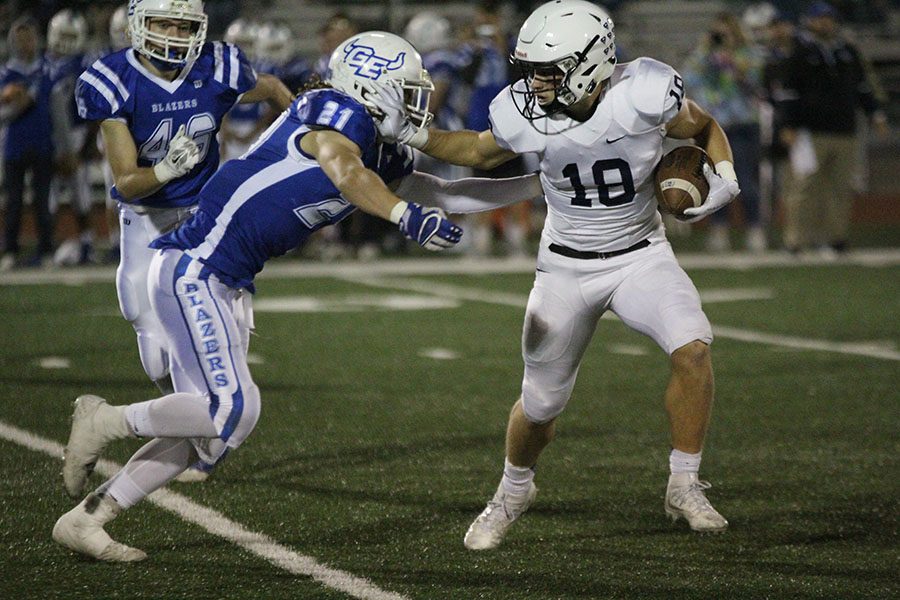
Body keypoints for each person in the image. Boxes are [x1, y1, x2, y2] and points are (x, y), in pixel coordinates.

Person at [51, 30, 547, 562]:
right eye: (404, 87)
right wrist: (403, 216)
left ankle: (89, 518)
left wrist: (544, 184)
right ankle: (106, 420)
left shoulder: (374, 144)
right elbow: (343, 168)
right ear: (368, 85)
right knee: (233, 409)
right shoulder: (334, 111)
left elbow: (447, 191)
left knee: (210, 431)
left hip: (227, 277)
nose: (415, 100)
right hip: (194, 266)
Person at [377, 0, 741, 550]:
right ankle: (513, 489)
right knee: (541, 408)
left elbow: (704, 126)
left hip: (641, 255)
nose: (536, 82)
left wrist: (726, 179)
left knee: (693, 349)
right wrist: (415, 135)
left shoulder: (644, 91)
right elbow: (478, 150)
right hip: (564, 267)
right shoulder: (524, 108)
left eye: (548, 70)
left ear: (592, 62)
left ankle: (684, 483)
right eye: (533, 70)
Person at [74, 0, 292, 481]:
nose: (173, 34)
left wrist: (297, 139)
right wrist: (168, 168)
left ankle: (198, 440)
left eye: (183, 24)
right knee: (156, 353)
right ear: (137, 25)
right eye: (163, 23)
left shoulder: (217, 65)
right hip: (145, 221)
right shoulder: (112, 79)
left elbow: (273, 88)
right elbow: (128, 182)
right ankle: (185, 436)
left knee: (217, 343)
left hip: (202, 221)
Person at [777, 1, 889, 255]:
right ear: (811, 21)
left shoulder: (847, 51)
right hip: (809, 132)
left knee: (840, 188)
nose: (825, 23)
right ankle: (795, 241)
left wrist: (875, 114)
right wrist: (788, 124)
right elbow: (789, 92)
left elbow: (863, 88)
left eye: (829, 18)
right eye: (820, 18)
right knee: (805, 187)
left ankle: (836, 239)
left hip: (845, 130)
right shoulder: (800, 52)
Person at [682, 12, 767, 253]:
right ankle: (719, 230)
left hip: (743, 123)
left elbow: (756, 84)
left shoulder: (748, 55)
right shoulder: (705, 56)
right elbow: (689, 77)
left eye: (726, 31)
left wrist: (732, 62)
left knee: (746, 179)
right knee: (717, 179)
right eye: (718, 32)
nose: (722, 37)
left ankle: (754, 228)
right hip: (717, 124)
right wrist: (707, 51)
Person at [0, 16, 54, 270]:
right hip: (15, 145)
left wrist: (65, 147)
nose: (25, 44)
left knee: (43, 201)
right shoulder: (6, 73)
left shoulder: (46, 68)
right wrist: (19, 102)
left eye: (28, 38)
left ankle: (46, 250)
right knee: (14, 201)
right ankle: (10, 249)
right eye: (20, 39)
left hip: (43, 143)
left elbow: (58, 111)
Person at [45, 9, 96, 266]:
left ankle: (87, 243)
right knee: (49, 193)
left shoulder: (83, 62)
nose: (65, 40)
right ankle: (47, 244)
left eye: (69, 35)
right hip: (49, 135)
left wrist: (84, 147)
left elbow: (94, 108)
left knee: (80, 190)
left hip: (76, 132)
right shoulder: (44, 62)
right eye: (62, 34)